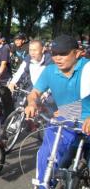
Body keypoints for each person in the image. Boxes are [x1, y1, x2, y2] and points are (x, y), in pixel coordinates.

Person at [25, 35, 90, 188]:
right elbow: (34, 93)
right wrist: (32, 103)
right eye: (54, 54)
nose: (57, 58)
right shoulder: (50, 71)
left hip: (86, 120)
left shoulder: (87, 68)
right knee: (46, 154)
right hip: (65, 118)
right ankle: (44, 185)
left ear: (78, 53)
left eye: (63, 53)